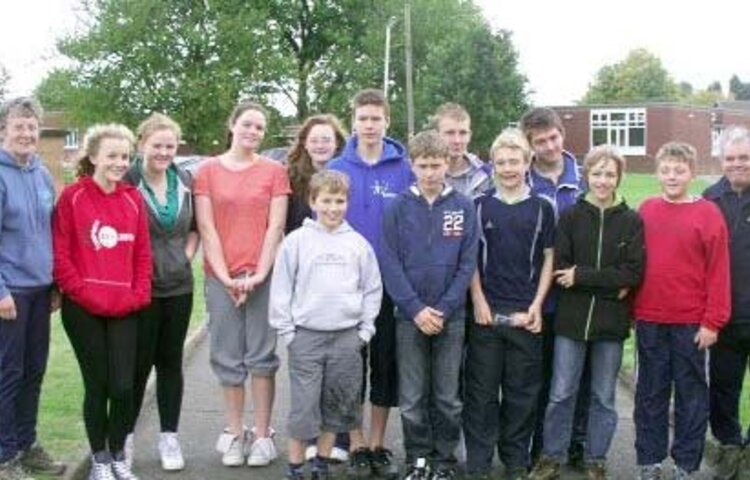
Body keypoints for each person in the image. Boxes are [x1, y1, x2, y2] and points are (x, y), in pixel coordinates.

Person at [529, 145, 644, 480]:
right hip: (571, 320)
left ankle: (596, 457)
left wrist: (583, 276)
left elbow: (632, 273)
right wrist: (603, 280)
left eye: (610, 174)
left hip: (610, 323)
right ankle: (551, 456)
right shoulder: (571, 217)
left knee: (603, 396)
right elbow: (561, 270)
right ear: (586, 176)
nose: (603, 180)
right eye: (597, 173)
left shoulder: (631, 221)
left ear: (619, 177)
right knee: (562, 392)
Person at [194, 101, 289, 468]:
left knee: (263, 358)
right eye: (247, 124)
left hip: (263, 276)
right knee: (228, 357)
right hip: (221, 278)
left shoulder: (274, 172)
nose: (253, 132)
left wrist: (259, 274)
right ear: (232, 124)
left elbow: (275, 227)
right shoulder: (206, 171)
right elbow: (207, 228)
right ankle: (235, 432)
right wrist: (226, 276)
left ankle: (263, 435)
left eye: (260, 128)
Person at [53, 124, 152, 480]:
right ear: (93, 156)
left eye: (125, 156)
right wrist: (83, 293)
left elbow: (142, 254)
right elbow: (61, 255)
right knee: (99, 385)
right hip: (84, 310)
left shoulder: (133, 198)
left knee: (124, 387)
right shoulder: (72, 197)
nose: (119, 163)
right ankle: (98, 461)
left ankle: (117, 455)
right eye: (112, 155)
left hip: (125, 307)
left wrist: (138, 294)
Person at [270, 170, 383, 480]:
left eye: (340, 201)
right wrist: (287, 332)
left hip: (347, 338)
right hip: (307, 336)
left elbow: (372, 288)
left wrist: (365, 330)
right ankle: (296, 468)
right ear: (313, 201)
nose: (333, 208)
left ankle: (320, 464)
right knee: (305, 408)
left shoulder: (358, 244)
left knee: (338, 405)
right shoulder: (297, 242)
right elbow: (281, 287)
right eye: (327, 201)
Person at [381, 130, 478, 480]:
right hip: (409, 318)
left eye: (436, 165)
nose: (430, 173)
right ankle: (417, 458)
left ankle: (445, 460)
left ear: (447, 163)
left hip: (450, 318)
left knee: (447, 397)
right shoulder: (396, 208)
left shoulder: (464, 207)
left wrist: (446, 307)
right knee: (411, 396)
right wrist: (416, 309)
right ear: (412, 165)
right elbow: (389, 262)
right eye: (422, 165)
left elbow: (468, 262)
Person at [327, 88, 413, 478]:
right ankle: (356, 442)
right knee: (350, 367)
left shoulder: (404, 168)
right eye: (362, 118)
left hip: (391, 286)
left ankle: (378, 443)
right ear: (354, 122)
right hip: (347, 287)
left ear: (386, 121)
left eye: (376, 118)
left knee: (384, 365)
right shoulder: (338, 167)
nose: (369, 125)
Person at [633, 142, 730, 480]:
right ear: (657, 172)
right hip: (649, 318)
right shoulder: (645, 210)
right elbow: (636, 263)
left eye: (679, 170)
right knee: (650, 393)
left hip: (691, 322)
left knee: (690, 395)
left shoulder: (707, 214)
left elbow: (719, 272)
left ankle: (686, 463)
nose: (672, 176)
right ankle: (649, 459)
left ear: (691, 172)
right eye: (666, 170)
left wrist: (712, 321)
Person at [463, 128, 554, 480]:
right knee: (482, 393)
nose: (508, 168)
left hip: (525, 316)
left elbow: (549, 258)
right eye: (501, 162)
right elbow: (469, 258)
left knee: (521, 393)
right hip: (487, 316)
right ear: (492, 166)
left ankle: (516, 459)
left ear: (527, 162)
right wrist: (478, 300)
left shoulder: (543, 208)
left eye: (514, 161)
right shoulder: (479, 205)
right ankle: (480, 461)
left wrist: (536, 306)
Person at [123, 113, 199, 471]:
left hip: (179, 288)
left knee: (170, 364)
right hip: (139, 291)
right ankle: (124, 437)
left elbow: (195, 228)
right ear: (142, 145)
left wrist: (183, 258)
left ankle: (169, 437)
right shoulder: (127, 180)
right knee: (137, 367)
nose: (164, 152)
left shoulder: (184, 179)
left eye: (170, 146)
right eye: (157, 145)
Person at [0, 97, 65, 480]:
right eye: (18, 125)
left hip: (41, 292)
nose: (26, 133)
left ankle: (27, 445)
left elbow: (48, 233)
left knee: (33, 372)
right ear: (4, 130)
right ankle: (5, 456)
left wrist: (55, 284)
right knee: (8, 373)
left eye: (31, 126)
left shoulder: (42, 175)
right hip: (11, 294)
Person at [520, 107, 587, 464]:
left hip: (579, 294)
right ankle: (542, 445)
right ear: (529, 144)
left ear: (562, 133)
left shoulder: (586, 176)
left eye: (553, 137)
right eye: (540, 141)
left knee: (578, 376)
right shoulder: (523, 178)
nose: (548, 146)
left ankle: (577, 442)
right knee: (542, 376)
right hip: (537, 294)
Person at [704, 126, 750, 480]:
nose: (737, 164)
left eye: (744, 158)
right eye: (731, 158)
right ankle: (730, 448)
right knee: (723, 388)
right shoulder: (709, 199)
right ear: (721, 160)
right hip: (726, 316)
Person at [286, 114, 347, 233]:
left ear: (337, 143)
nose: (320, 146)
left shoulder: (348, 177)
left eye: (326, 140)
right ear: (305, 144)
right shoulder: (291, 178)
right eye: (314, 141)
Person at [432, 103, 492, 198]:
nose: (457, 140)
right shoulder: (419, 174)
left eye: (463, 133)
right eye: (450, 133)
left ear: (470, 135)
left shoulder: (486, 175)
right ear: (436, 135)